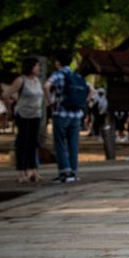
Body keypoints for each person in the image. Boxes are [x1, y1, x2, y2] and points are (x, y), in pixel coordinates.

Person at [43, 51, 88, 183]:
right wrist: (83, 102)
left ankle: (64, 171)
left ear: (58, 63)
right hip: (76, 114)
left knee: (60, 143)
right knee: (73, 143)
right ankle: (73, 171)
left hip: (61, 113)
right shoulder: (77, 76)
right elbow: (90, 90)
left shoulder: (58, 75)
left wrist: (49, 101)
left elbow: (46, 86)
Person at [3, 57, 45, 184]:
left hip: (36, 115)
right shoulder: (21, 80)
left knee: (33, 143)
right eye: (36, 66)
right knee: (23, 143)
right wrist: (9, 110)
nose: (38, 68)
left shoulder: (37, 81)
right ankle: (21, 171)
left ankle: (33, 170)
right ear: (30, 67)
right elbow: (6, 95)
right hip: (23, 115)